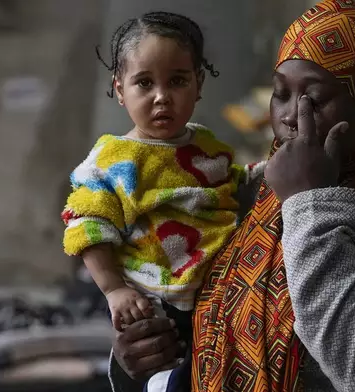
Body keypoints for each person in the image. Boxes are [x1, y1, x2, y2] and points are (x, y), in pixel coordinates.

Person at [108, 1, 355, 391]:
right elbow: (195, 326)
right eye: (280, 93)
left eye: (315, 99)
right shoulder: (251, 194)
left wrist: (311, 203)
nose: (290, 116)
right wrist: (136, 360)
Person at [61, 11, 264, 392]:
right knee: (167, 379)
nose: (161, 96)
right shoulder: (112, 161)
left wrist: (268, 171)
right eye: (144, 83)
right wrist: (114, 290)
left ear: (198, 84)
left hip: (219, 294)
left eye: (177, 81)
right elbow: (87, 223)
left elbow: (232, 186)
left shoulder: (206, 145)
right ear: (120, 89)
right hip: (157, 301)